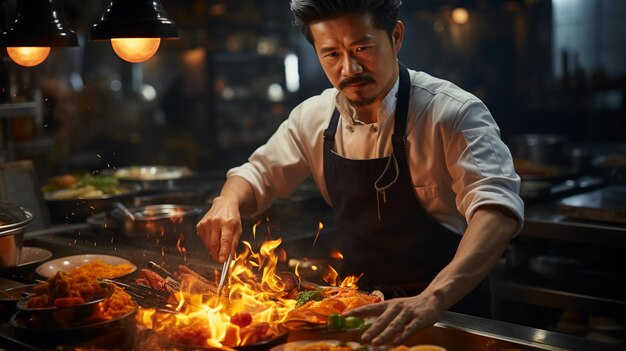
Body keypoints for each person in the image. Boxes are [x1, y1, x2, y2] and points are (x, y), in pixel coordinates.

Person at [196, 0, 524, 345]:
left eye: (362, 48)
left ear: (396, 36)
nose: (349, 68)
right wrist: (227, 201)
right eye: (331, 55)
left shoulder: (453, 113)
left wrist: (433, 299)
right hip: (358, 318)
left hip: (447, 315)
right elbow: (257, 174)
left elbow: (496, 212)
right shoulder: (314, 118)